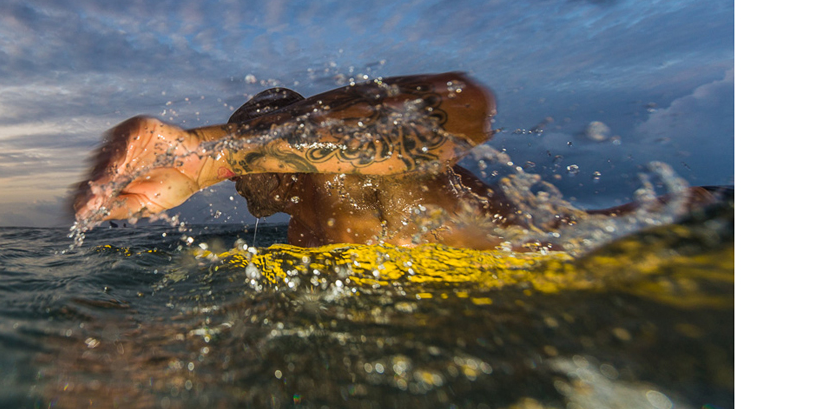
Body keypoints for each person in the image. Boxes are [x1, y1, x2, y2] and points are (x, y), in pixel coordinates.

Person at [70, 72, 712, 249]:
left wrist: (216, 155)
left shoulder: (376, 179)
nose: (239, 190)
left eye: (248, 171)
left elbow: (460, 105)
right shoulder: (302, 233)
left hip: (674, 237)